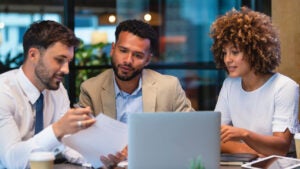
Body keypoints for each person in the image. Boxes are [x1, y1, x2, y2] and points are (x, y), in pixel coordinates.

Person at [78, 19, 194, 167]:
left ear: (147, 60)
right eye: (123, 50)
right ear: (113, 49)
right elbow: (83, 141)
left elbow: (190, 131)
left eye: (138, 55)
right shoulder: (90, 89)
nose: (127, 60)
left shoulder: (169, 86)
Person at [0, 20, 96, 169]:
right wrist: (57, 129)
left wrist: (99, 158)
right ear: (33, 55)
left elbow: (66, 144)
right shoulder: (3, 92)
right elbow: (12, 161)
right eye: (59, 60)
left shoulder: (57, 91)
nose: (66, 70)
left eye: (68, 62)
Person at [210, 7, 299, 157]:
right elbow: (213, 138)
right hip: (247, 162)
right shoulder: (229, 85)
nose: (227, 59)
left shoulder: (285, 87)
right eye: (225, 53)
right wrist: (253, 153)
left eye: (235, 52)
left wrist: (244, 134)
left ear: (255, 51)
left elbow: (280, 148)